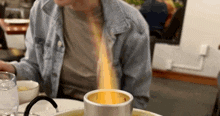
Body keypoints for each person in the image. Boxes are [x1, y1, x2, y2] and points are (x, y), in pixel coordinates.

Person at [0, 0, 152, 110]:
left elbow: (137, 100)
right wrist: (11, 69)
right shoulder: (42, 9)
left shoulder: (132, 25)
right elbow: (35, 66)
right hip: (55, 111)